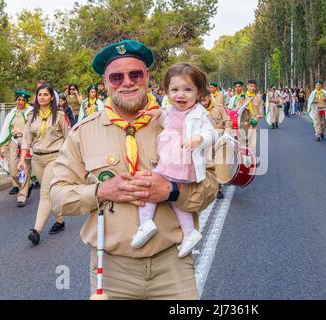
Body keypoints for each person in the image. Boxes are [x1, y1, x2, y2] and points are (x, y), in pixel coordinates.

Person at [50, 40, 218, 300]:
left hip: (173, 266)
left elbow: (211, 187)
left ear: (147, 77)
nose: (126, 82)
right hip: (112, 272)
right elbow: (58, 196)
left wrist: (171, 191)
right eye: (117, 77)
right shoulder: (82, 132)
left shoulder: (181, 122)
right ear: (105, 82)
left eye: (135, 74)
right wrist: (102, 190)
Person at [131, 62, 217, 258]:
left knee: (151, 186)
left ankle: (145, 223)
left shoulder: (199, 113)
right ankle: (190, 233)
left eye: (188, 90)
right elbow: (168, 122)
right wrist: (157, 114)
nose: (181, 95)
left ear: (199, 92)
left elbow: (212, 134)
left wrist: (200, 138)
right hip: (170, 158)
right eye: (175, 89)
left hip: (182, 162)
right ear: (167, 91)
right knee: (175, 200)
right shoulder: (169, 109)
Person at [18, 84, 71, 245]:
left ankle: (36, 230)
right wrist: (21, 160)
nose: (42, 97)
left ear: (51, 98)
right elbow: (26, 140)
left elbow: (69, 138)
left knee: (45, 194)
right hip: (37, 159)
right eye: (39, 94)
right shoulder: (31, 116)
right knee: (51, 194)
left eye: (45, 95)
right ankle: (60, 220)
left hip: (54, 158)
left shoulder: (60, 116)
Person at [0, 89, 34, 207]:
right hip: (13, 142)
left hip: (26, 142)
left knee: (24, 169)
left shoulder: (30, 113)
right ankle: (27, 185)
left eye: (23, 100)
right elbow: (6, 130)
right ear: (16, 100)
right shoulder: (11, 113)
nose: (21, 102)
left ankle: (22, 196)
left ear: (26, 101)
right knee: (13, 172)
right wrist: (3, 145)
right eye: (19, 100)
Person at [241, 80, 264, 151]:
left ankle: (252, 160)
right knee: (243, 143)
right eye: (251, 86)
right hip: (243, 124)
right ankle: (244, 160)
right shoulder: (242, 97)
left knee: (252, 143)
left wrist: (255, 119)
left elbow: (260, 113)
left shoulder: (258, 99)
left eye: (254, 86)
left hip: (253, 124)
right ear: (247, 86)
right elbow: (237, 110)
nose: (253, 88)